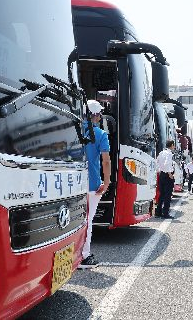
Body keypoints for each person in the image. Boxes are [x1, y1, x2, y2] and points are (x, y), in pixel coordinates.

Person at [79, 100, 111, 269]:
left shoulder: (73, 131)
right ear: (97, 116)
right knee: (88, 221)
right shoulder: (100, 134)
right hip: (92, 184)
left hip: (73, 185)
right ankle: (84, 256)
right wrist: (106, 183)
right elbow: (106, 161)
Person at [156, 140, 176, 219]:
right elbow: (167, 163)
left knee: (161, 194)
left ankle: (158, 212)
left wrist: (159, 171)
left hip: (161, 175)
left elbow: (156, 162)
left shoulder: (161, 153)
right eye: (174, 145)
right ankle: (165, 213)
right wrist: (170, 174)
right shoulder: (169, 153)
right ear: (171, 145)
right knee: (168, 195)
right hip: (167, 175)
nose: (174, 147)